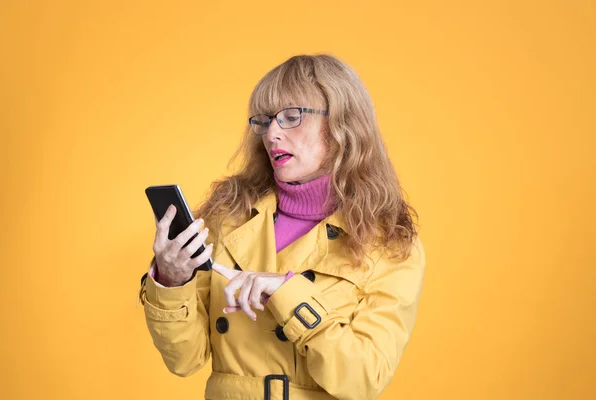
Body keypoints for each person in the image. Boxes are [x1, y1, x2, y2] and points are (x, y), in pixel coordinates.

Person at [138, 54, 426, 400]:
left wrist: (286, 293)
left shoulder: (389, 243)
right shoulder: (228, 217)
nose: (272, 133)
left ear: (342, 126)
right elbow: (185, 359)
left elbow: (362, 379)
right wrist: (171, 281)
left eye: (292, 117)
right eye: (264, 121)